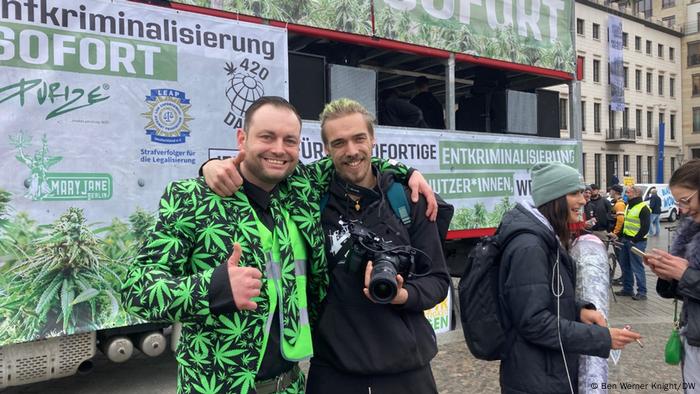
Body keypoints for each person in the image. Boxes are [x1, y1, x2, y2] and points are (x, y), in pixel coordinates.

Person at [122, 96, 435, 394]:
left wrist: (409, 172)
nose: (278, 149)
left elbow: (352, 158)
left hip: (290, 384)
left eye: (290, 140)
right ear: (242, 138)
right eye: (267, 137)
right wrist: (214, 287)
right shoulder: (193, 198)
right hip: (217, 385)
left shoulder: (301, 189)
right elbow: (136, 289)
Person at [204, 99, 450, 394]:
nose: (351, 151)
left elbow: (437, 280)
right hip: (334, 372)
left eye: (359, 138)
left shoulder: (406, 199)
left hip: (407, 371)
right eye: (338, 143)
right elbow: (257, 169)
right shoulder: (309, 194)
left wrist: (403, 295)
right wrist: (210, 167)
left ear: (372, 139)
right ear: (325, 149)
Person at [497, 162, 640, 393]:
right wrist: (600, 339)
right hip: (536, 379)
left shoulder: (545, 238)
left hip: (547, 372)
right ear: (553, 198)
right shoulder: (529, 246)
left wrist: (579, 309)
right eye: (574, 193)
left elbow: (546, 299)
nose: (583, 200)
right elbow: (533, 322)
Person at [646, 159, 700, 392]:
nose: (683, 209)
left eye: (685, 200)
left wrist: (685, 274)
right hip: (693, 338)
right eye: (678, 203)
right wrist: (668, 275)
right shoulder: (691, 231)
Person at [613, 185, 651, 300]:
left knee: (637, 267)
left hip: (637, 242)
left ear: (636, 194)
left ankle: (642, 292)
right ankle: (627, 289)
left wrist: (634, 240)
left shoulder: (643, 207)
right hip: (626, 240)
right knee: (625, 265)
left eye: (628, 192)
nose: (626, 194)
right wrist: (618, 235)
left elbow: (645, 227)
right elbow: (626, 223)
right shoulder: (629, 206)